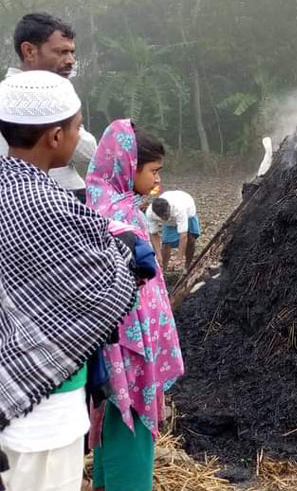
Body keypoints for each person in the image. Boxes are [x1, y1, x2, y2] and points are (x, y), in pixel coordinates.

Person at [0, 71, 137, 491]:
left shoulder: (10, 185)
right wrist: (128, 252)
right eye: (79, 128)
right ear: (55, 136)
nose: (81, 138)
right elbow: (105, 290)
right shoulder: (42, 202)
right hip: (44, 408)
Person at [86, 119, 184, 491]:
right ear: (128, 167)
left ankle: (104, 483)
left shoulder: (102, 199)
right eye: (154, 171)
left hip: (113, 342)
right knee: (132, 419)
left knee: (114, 413)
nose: (157, 180)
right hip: (127, 344)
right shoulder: (119, 214)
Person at [1, 13, 97, 203]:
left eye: (72, 52)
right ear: (29, 51)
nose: (71, 60)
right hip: (60, 194)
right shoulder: (47, 96)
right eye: (61, 52)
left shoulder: (4, 92)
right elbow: (87, 152)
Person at [146, 190, 201, 271]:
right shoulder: (150, 213)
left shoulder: (179, 208)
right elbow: (154, 234)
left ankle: (187, 267)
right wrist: (158, 254)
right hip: (171, 222)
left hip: (189, 212)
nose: (165, 218)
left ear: (169, 208)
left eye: (166, 215)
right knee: (166, 244)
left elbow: (183, 235)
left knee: (191, 239)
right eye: (162, 217)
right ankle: (163, 270)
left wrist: (179, 258)